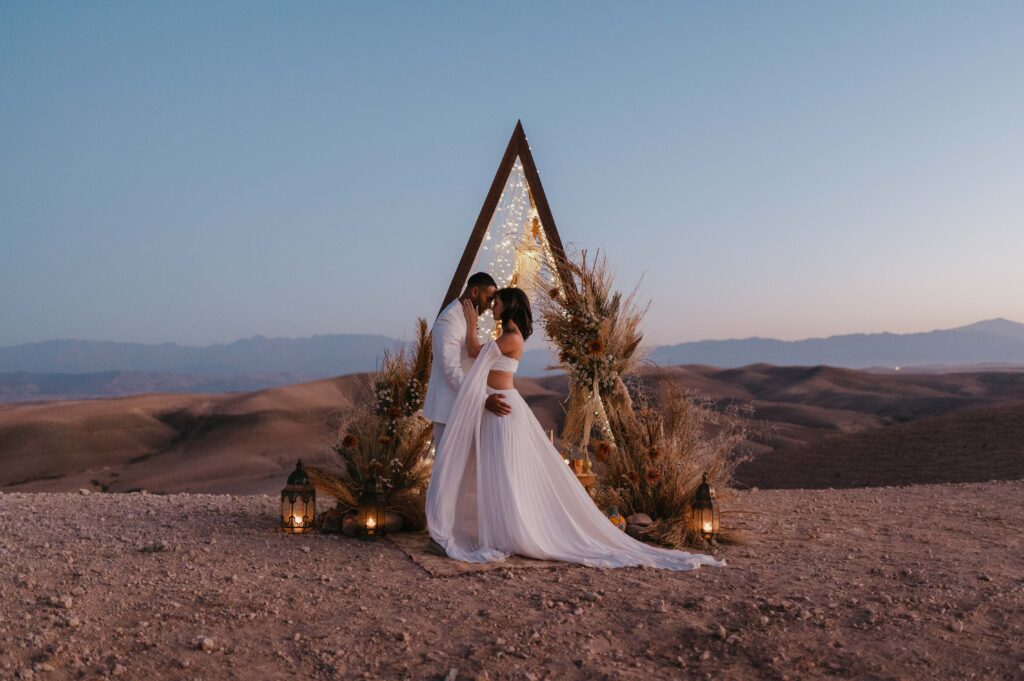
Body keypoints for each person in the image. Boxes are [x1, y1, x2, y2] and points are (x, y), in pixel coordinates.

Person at [425, 287, 725, 571]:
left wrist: (469, 321)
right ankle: (500, 528)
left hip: (503, 408)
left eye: (498, 302)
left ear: (510, 306)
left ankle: (515, 530)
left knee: (505, 469)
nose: (493, 306)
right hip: (493, 405)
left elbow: (475, 350)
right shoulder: (507, 335)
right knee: (497, 470)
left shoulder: (512, 337)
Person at [422, 272, 512, 448]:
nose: (489, 305)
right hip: (449, 408)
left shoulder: (467, 317)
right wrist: (483, 399)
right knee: (447, 469)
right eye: (488, 298)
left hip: (465, 405)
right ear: (475, 292)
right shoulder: (449, 320)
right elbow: (451, 369)